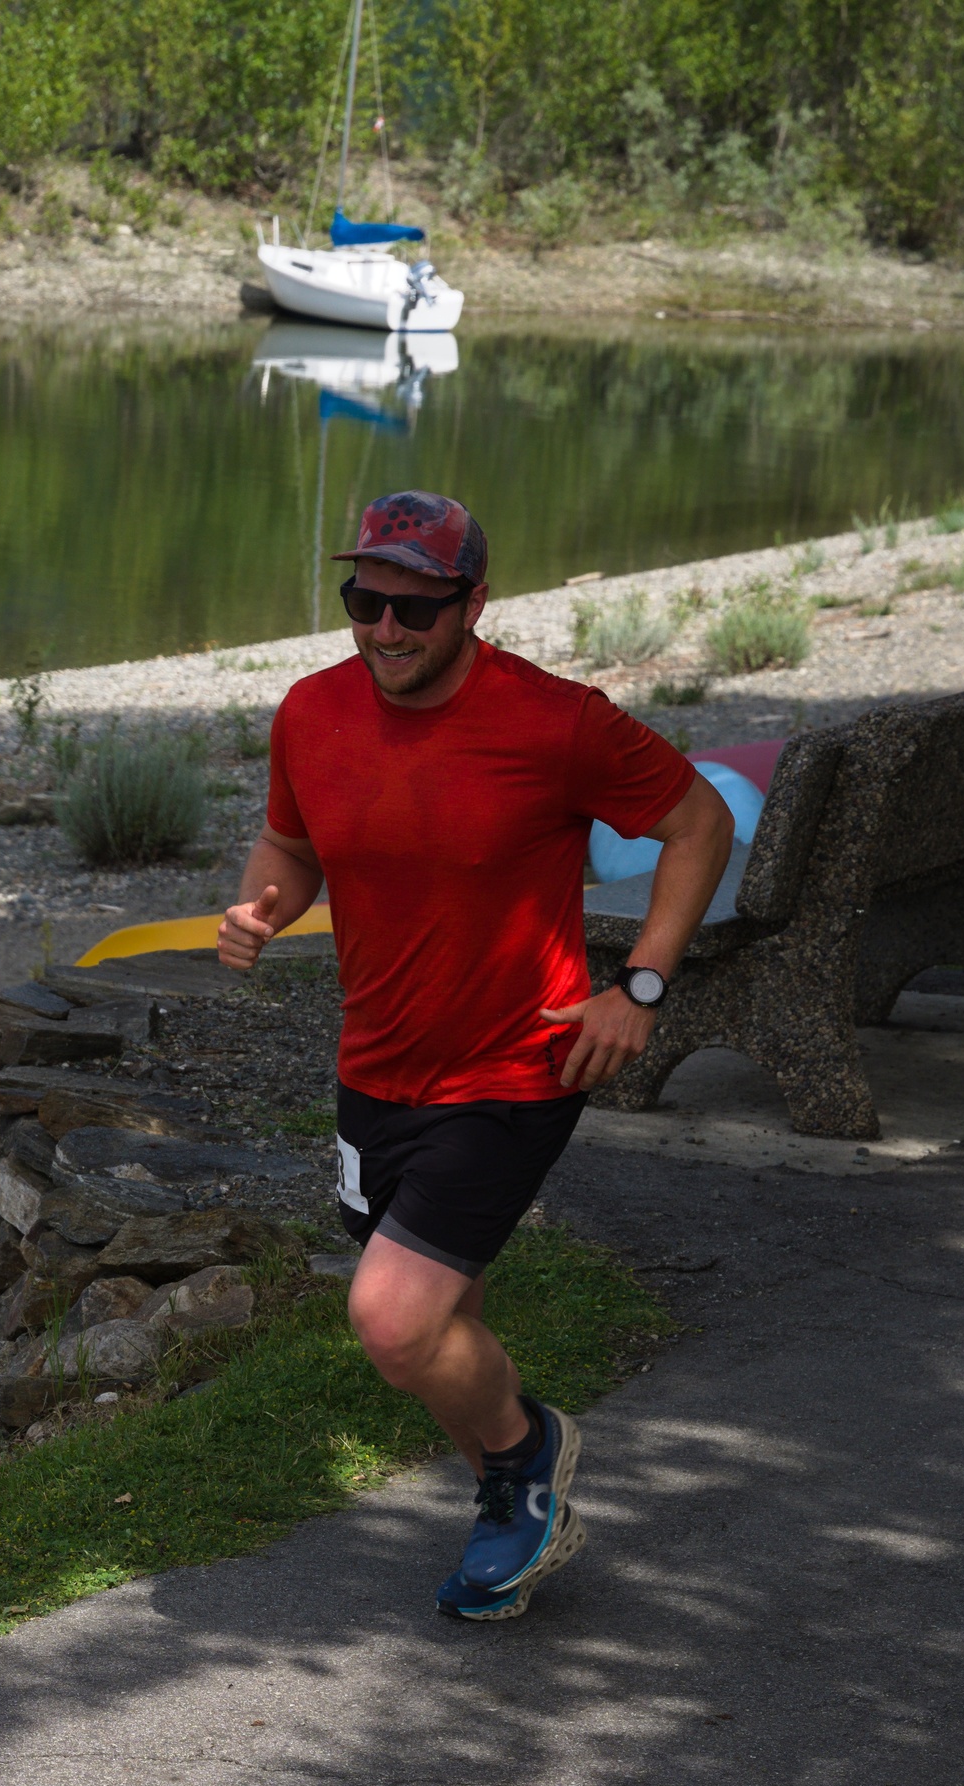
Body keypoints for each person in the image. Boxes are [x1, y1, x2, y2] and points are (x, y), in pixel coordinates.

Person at [215, 492, 734, 1622]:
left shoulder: (555, 723)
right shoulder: (311, 713)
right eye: (365, 601)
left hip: (517, 1066)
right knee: (443, 1320)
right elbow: (291, 844)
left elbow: (699, 823)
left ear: (473, 604)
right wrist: (264, 907)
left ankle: (525, 1461)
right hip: (377, 1062)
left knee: (392, 1319)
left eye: (413, 608)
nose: (385, 629)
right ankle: (505, 1500)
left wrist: (638, 986)